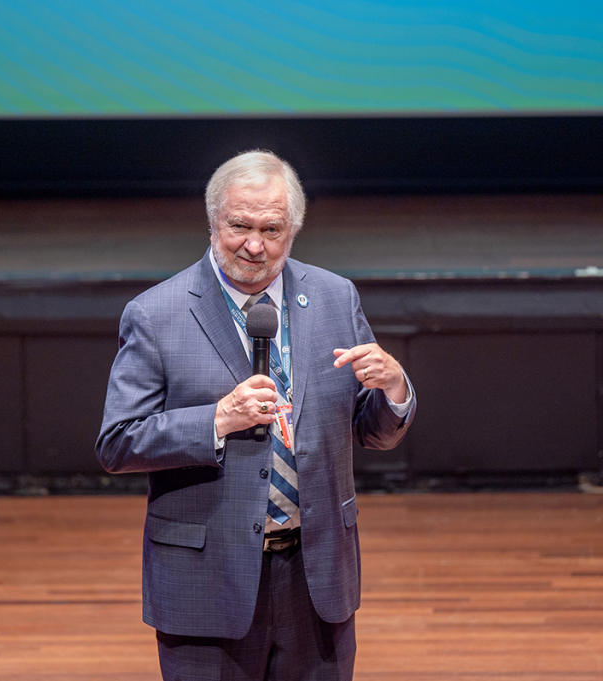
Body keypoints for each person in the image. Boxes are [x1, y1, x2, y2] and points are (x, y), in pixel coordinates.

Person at [95, 150, 416, 680]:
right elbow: (118, 442)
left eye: (272, 229)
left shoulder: (336, 298)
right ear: (213, 220)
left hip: (317, 579)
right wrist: (217, 420)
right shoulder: (157, 314)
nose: (254, 245)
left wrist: (395, 388)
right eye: (239, 226)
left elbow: (370, 429)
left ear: (293, 230)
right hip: (206, 580)